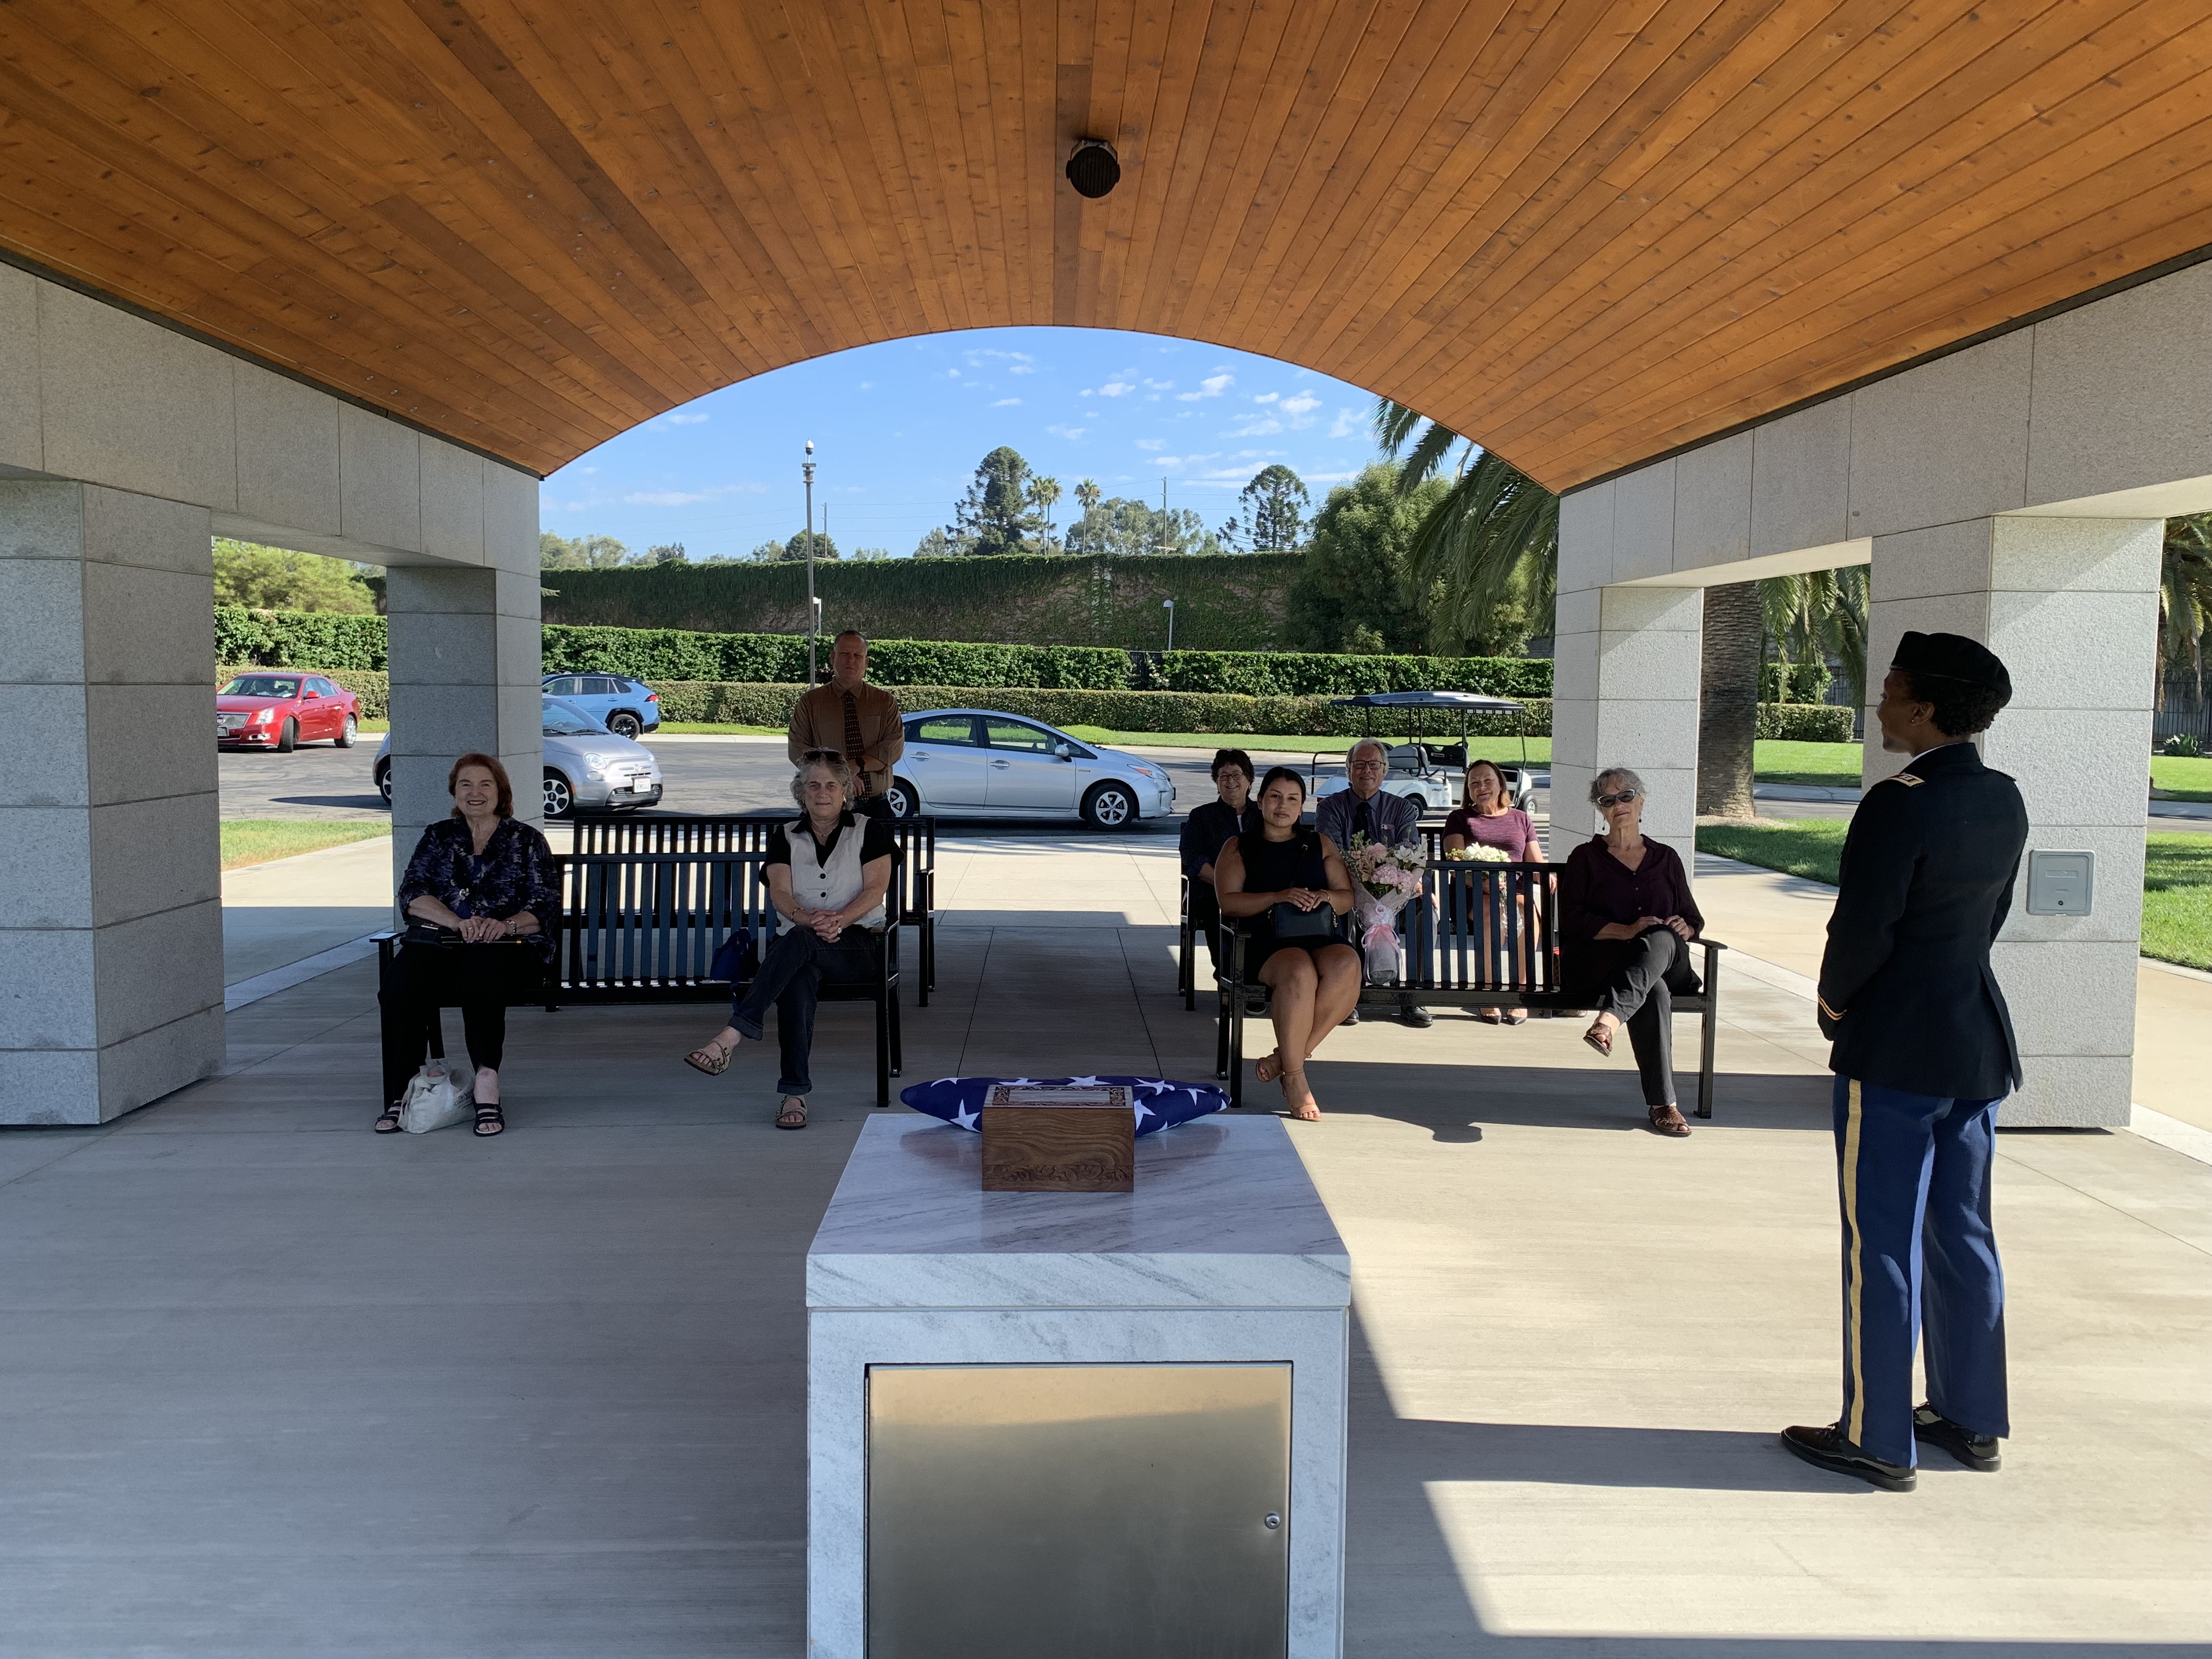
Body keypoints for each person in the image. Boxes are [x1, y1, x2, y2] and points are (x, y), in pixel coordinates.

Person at [1782, 631, 2028, 1494]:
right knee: (1964, 1234)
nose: (1879, 703)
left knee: (1879, 1240)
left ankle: (1878, 1436)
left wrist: (1833, 1003)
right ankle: (1972, 1416)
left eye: (1889, 690)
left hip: (1894, 1048)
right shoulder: (2004, 798)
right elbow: (1984, 925)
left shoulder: (1899, 802)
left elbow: (1863, 930)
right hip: (1974, 1043)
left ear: (1923, 708)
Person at [681, 753, 894, 1130]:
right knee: (797, 972)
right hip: (801, 941)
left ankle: (732, 1036)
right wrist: (807, 919)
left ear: (845, 791)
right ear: (801, 793)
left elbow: (877, 889)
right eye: (813, 785)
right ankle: (793, 1094)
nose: (822, 792)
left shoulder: (869, 829)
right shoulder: (785, 835)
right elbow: (779, 891)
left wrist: (840, 920)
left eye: (831, 785)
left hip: (857, 945)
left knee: (798, 944)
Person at [377, 754, 558, 1138]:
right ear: (454, 792)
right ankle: (403, 1089)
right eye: (466, 785)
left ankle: (486, 1080)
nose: (475, 793)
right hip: (443, 942)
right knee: (400, 983)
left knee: (481, 973)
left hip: (509, 946)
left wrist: (504, 925)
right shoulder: (438, 836)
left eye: (485, 785)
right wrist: (457, 922)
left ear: (501, 792)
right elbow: (413, 894)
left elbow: (545, 905)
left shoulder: (526, 841)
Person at [1560, 767, 1703, 1137]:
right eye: (1608, 800)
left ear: (1641, 801)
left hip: (1671, 962)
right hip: (1606, 966)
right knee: (1651, 990)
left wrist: (1686, 928)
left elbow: (1692, 917)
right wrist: (1628, 931)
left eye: (1626, 795)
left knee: (1660, 935)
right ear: (1601, 811)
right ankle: (1664, 1106)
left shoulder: (1666, 858)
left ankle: (1609, 1020)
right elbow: (1573, 920)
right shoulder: (1585, 858)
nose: (1618, 804)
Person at [1215, 766, 1361, 1121]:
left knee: (1348, 964)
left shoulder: (1319, 843)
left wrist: (1323, 896)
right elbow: (1229, 902)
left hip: (1319, 936)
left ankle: (1286, 1058)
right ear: (1261, 802)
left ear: (1302, 807)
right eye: (1275, 797)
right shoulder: (1238, 846)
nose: (1283, 805)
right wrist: (1277, 897)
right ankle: (1295, 1080)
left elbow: (1347, 899)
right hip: (1264, 943)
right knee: (1299, 970)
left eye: (1292, 799)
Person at [1314, 737, 1434, 1028]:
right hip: (1346, 890)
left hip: (1394, 892)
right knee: (1339, 910)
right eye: (1359, 764)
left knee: (1424, 913)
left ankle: (1411, 995)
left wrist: (1391, 890)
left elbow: (1409, 854)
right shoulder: (1331, 807)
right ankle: (1348, 997)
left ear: (1385, 770)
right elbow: (1332, 852)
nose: (1367, 770)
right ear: (1348, 770)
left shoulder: (1402, 808)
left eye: (1374, 765)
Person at [1442, 758, 1543, 1024]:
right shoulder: (1460, 818)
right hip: (1473, 891)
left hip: (1515, 889)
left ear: (1501, 783)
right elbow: (1454, 861)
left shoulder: (1521, 818)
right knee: (1492, 913)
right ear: (1468, 790)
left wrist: (1549, 877)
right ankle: (1488, 990)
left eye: (1488, 780)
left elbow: (1536, 862)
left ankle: (1520, 993)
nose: (1481, 786)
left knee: (1528, 914)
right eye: (1474, 783)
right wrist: (1481, 882)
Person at [788, 629, 904, 820]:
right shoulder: (810, 702)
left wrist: (857, 765)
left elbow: (893, 748)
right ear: (833, 657)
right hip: (824, 809)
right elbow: (798, 751)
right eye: (844, 654)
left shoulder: (884, 702)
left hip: (876, 808)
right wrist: (840, 775)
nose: (851, 660)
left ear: (866, 662)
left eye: (858, 656)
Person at [1178, 748, 1259, 980]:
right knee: (1219, 908)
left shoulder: (1264, 815)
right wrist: (1224, 885)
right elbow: (1192, 857)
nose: (1230, 781)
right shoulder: (1202, 816)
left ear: (1249, 780)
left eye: (1237, 775)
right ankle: (1229, 976)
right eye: (1224, 776)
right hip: (1213, 891)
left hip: (1259, 890)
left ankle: (1257, 978)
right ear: (1216, 781)